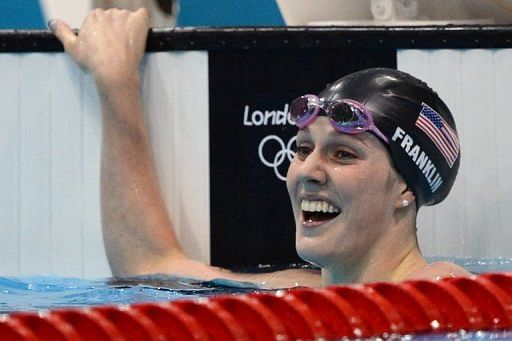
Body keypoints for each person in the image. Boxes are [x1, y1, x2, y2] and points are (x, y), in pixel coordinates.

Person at [49, 8, 469, 288]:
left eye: (343, 154)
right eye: (303, 149)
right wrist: (116, 80)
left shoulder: (445, 289)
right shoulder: (292, 290)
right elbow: (146, 267)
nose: (308, 171)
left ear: (407, 189)